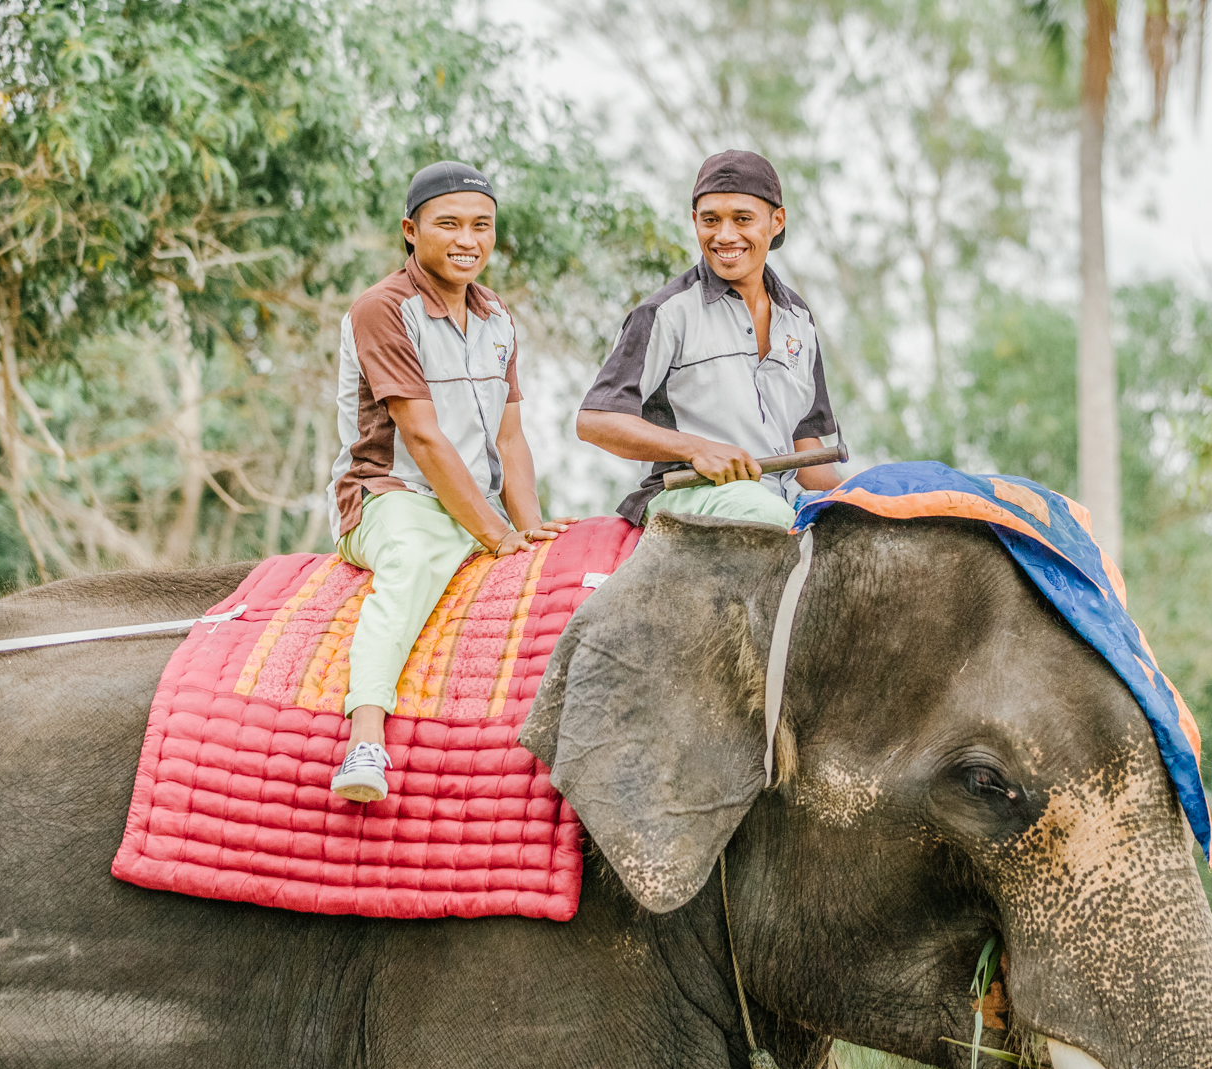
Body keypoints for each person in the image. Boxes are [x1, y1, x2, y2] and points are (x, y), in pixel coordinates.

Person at [327, 160, 567, 804]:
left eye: (482, 226)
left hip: (473, 505)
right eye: (449, 224)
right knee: (410, 561)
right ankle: (366, 737)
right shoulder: (382, 310)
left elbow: (511, 438)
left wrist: (528, 527)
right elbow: (423, 439)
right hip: (389, 497)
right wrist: (494, 534)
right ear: (411, 230)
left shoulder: (497, 318)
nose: (469, 240)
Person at [577, 150, 842, 526]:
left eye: (743, 219)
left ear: (777, 221)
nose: (725, 235)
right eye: (711, 220)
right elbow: (595, 420)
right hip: (689, 494)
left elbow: (804, 445)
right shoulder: (665, 313)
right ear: (694, 221)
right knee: (767, 515)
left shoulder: (799, 319)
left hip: (783, 499)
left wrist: (855, 500)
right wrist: (697, 448)